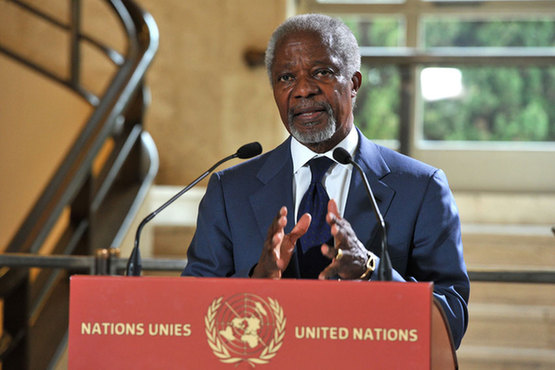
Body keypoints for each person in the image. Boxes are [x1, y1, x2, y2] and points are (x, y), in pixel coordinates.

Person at [182, 13, 469, 348]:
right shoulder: (229, 190)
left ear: (354, 83)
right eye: (286, 77)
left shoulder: (421, 188)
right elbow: (192, 313)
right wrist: (256, 284)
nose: (303, 89)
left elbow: (450, 322)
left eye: (322, 72)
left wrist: (371, 270)